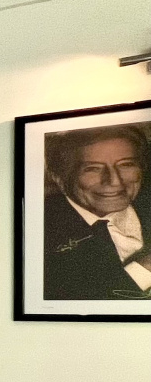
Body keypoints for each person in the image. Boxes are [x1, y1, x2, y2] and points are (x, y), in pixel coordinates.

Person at [43, 124, 151, 299]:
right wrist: (144, 269)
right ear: (59, 178)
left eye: (126, 165)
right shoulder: (40, 228)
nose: (115, 181)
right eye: (93, 168)